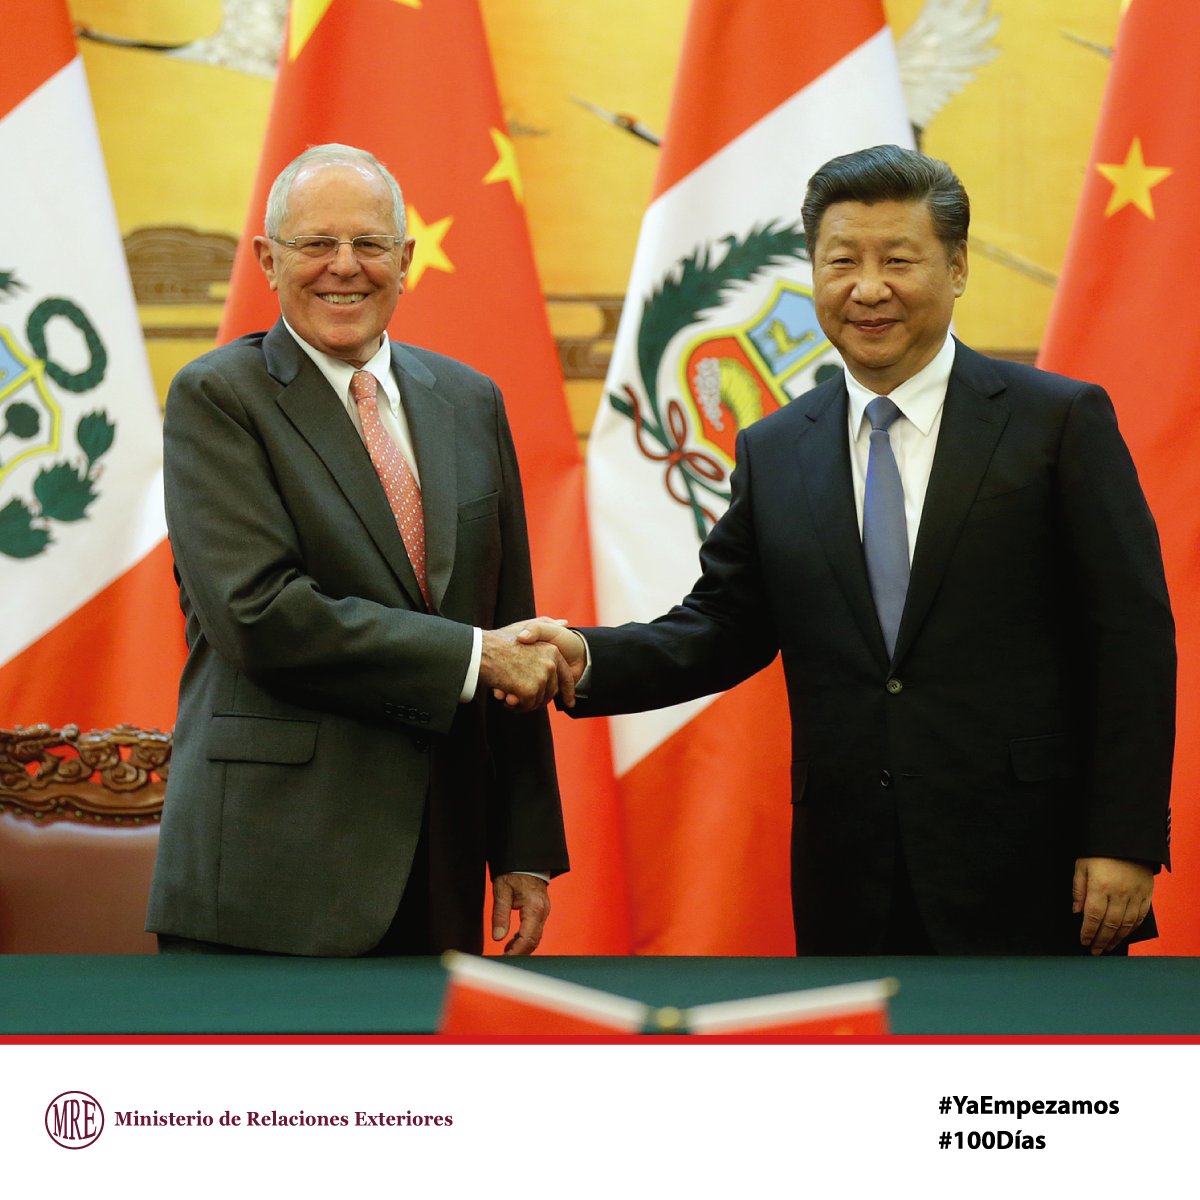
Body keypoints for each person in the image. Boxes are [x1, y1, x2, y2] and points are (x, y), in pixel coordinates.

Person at [520, 144, 1175, 956]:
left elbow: (1131, 640)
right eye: (842, 262)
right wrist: (585, 658)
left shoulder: (1057, 423)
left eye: (898, 260)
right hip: (850, 872)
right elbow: (723, 626)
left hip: (1035, 866)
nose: (868, 288)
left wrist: (1124, 839)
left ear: (957, 268)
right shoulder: (776, 448)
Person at [147, 144, 572, 957]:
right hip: (270, 872)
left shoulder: (471, 401)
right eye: (316, 243)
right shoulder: (218, 397)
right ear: (268, 260)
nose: (344, 267)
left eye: (369, 244)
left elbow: (508, 628)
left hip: (439, 863)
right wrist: (474, 655)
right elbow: (258, 615)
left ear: (405, 261)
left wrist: (523, 845)